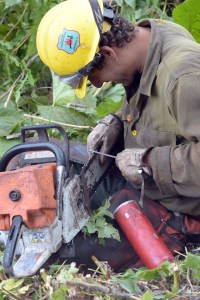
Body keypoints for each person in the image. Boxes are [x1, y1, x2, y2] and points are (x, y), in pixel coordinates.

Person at [36, 0, 200, 271]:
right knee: (45, 157)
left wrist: (148, 162)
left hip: (178, 211)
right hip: (139, 183)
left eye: (93, 77)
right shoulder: (148, 42)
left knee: (60, 255)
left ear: (109, 53)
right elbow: (159, 105)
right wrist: (116, 121)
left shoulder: (184, 76)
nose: (97, 84)